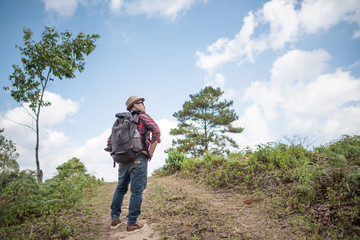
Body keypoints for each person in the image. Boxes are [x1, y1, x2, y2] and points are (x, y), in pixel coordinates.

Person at [108, 96, 161, 233]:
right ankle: (132, 223)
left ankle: (115, 219)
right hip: (139, 157)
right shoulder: (142, 116)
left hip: (122, 159)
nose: (144, 105)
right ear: (135, 105)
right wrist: (150, 152)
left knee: (120, 188)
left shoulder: (120, 119)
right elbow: (157, 131)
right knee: (137, 191)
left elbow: (110, 141)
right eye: (142, 103)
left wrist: (120, 154)